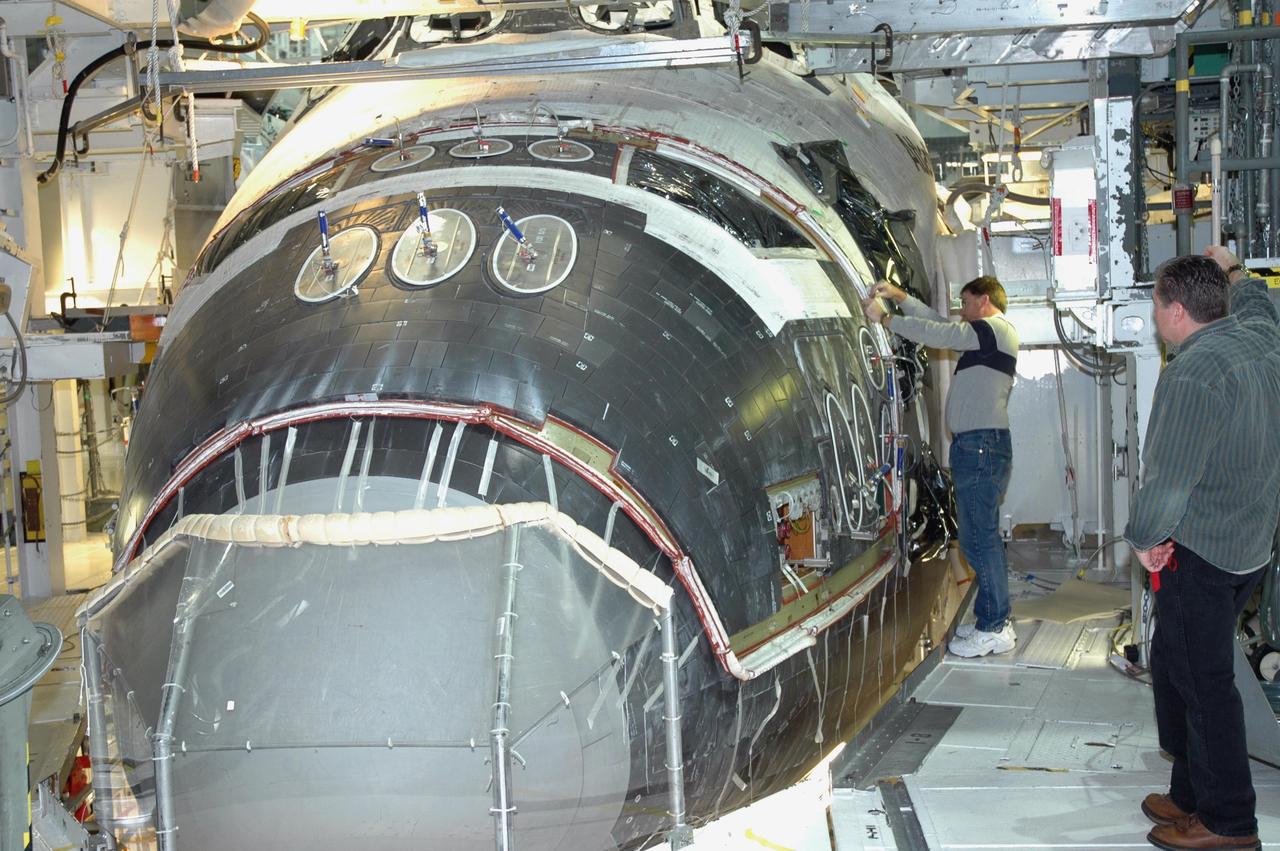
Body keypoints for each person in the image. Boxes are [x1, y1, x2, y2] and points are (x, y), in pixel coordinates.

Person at [1125, 247, 1280, 851]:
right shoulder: (1258, 337)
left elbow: (1168, 477)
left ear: (1178, 311)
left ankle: (1229, 821)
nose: (1157, 314)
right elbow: (1259, 301)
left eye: (1159, 303)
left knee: (1203, 680)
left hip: (1205, 547)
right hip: (1251, 541)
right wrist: (1232, 268)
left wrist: (1145, 538)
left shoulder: (1193, 372)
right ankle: (1189, 792)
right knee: (1174, 658)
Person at [863, 276, 1019, 657]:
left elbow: (939, 333)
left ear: (983, 301)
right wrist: (900, 297)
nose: (960, 310)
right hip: (980, 447)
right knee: (977, 536)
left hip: (980, 447)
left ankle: (995, 626)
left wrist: (886, 320)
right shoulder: (987, 335)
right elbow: (943, 325)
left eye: (965, 302)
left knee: (979, 538)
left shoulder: (992, 330)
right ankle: (992, 620)